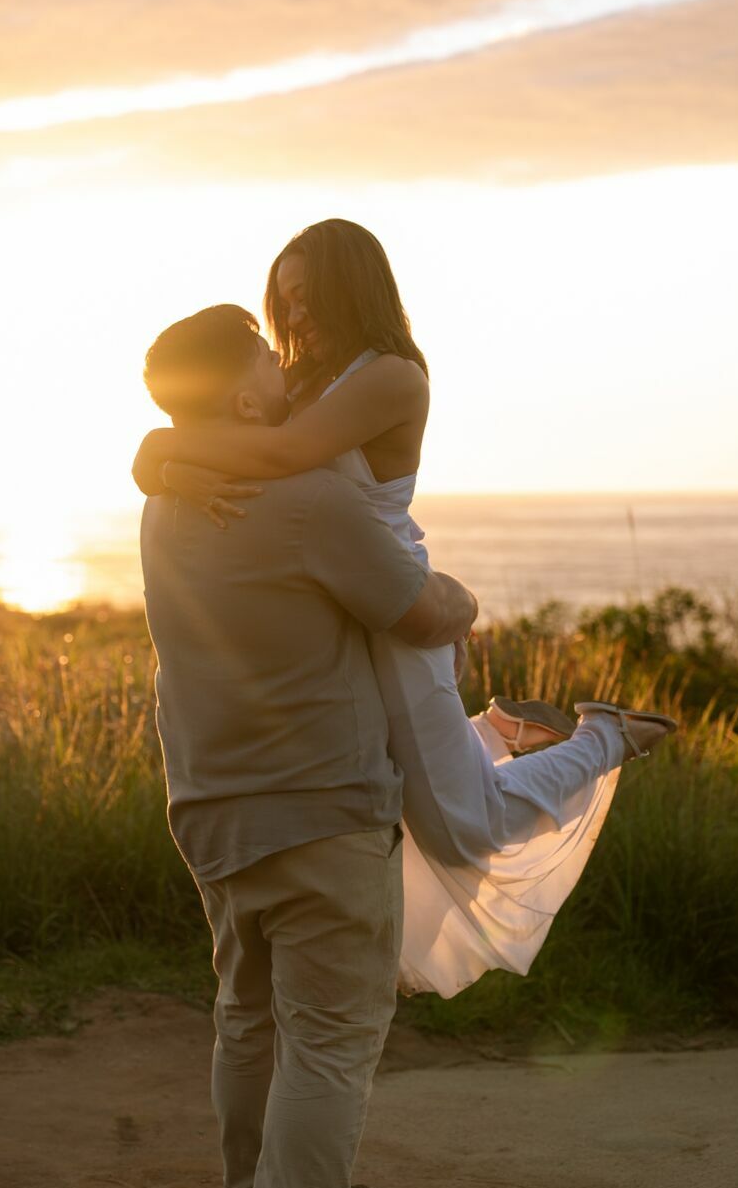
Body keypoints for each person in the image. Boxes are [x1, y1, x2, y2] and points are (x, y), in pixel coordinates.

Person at [133, 220, 676, 996]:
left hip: (396, 611)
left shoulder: (391, 377)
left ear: (353, 285)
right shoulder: (302, 379)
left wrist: (161, 448)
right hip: (340, 608)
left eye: (308, 295)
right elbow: (234, 424)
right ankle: (495, 732)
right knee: (406, 794)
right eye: (284, 301)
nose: (296, 316)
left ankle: (605, 734)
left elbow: (279, 456)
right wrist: (157, 455)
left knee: (462, 830)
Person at [138, 304, 477, 1188]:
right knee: (330, 1039)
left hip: (208, 800)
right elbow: (419, 611)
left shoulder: (167, 501)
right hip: (320, 806)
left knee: (248, 1017)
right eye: (269, 363)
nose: (290, 373)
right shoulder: (306, 494)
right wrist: (462, 595)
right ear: (244, 398)